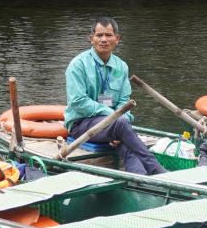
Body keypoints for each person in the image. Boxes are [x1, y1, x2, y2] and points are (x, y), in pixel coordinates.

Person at [63, 17, 164, 176]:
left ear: (117, 39)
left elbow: (124, 101)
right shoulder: (78, 65)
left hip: (113, 125)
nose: (103, 39)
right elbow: (78, 102)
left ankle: (140, 181)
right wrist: (114, 118)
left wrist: (118, 121)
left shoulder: (121, 66)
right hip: (81, 125)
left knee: (126, 143)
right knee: (122, 125)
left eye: (108, 35)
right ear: (91, 39)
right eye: (99, 35)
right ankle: (156, 169)